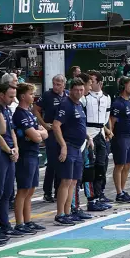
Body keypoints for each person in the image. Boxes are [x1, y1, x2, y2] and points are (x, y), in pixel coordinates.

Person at [12, 83, 46, 233]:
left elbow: (43, 133)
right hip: (25, 154)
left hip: (33, 153)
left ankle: (27, 220)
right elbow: (37, 136)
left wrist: (39, 134)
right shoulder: (19, 114)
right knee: (23, 190)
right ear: (23, 96)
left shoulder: (30, 113)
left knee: (31, 189)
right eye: (31, 94)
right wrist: (38, 135)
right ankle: (19, 223)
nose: (33, 96)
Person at [55, 78, 88, 225]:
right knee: (66, 181)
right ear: (71, 89)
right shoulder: (66, 104)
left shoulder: (79, 104)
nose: (79, 92)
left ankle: (68, 212)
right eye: (76, 90)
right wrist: (63, 146)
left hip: (78, 147)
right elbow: (56, 125)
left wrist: (88, 137)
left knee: (74, 181)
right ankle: (60, 213)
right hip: (69, 146)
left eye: (81, 90)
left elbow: (79, 125)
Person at [0, 83, 18, 240]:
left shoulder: (7, 109)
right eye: (10, 96)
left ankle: (5, 224)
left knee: (7, 192)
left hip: (10, 153)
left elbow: (11, 130)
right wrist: (8, 149)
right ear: (0, 94)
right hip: (1, 154)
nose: (13, 99)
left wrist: (16, 148)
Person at [83, 72, 112, 206]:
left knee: (102, 166)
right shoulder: (85, 98)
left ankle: (99, 193)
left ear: (99, 83)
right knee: (89, 168)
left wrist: (107, 131)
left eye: (92, 81)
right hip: (89, 134)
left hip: (100, 132)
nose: (90, 84)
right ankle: (91, 198)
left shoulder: (107, 97)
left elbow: (107, 117)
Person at [36, 75, 65, 204]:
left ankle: (59, 189)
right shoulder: (47, 95)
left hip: (64, 131)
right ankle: (47, 191)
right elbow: (36, 110)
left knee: (62, 161)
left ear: (64, 84)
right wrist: (43, 124)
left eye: (58, 84)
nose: (56, 86)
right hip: (51, 132)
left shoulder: (67, 95)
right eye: (54, 83)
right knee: (53, 162)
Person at [109, 77, 130, 204]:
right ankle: (119, 192)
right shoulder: (118, 103)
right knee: (119, 165)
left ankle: (123, 190)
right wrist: (111, 136)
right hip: (120, 137)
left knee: (128, 164)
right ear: (124, 87)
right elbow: (112, 122)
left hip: (129, 136)